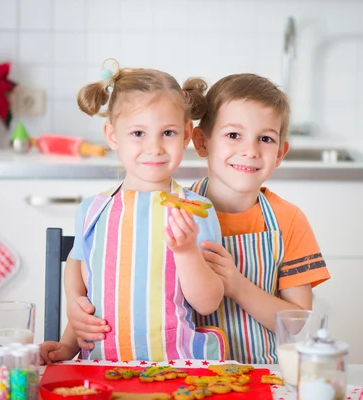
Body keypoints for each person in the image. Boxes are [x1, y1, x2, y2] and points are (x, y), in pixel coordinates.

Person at [65, 73, 330, 364]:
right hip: (196, 366)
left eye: (265, 139)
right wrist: (77, 311)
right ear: (201, 142)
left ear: (280, 152)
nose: (250, 151)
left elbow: (296, 322)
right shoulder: (177, 209)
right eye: (233, 135)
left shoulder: (286, 220)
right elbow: (97, 270)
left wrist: (236, 285)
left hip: (260, 368)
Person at [39, 61, 227, 364]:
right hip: (102, 367)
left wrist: (186, 250)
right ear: (113, 136)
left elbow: (207, 302)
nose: (154, 148)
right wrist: (69, 339)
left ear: (186, 135)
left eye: (167, 132)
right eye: (138, 133)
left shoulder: (197, 210)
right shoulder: (93, 210)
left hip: (178, 366)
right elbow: (79, 270)